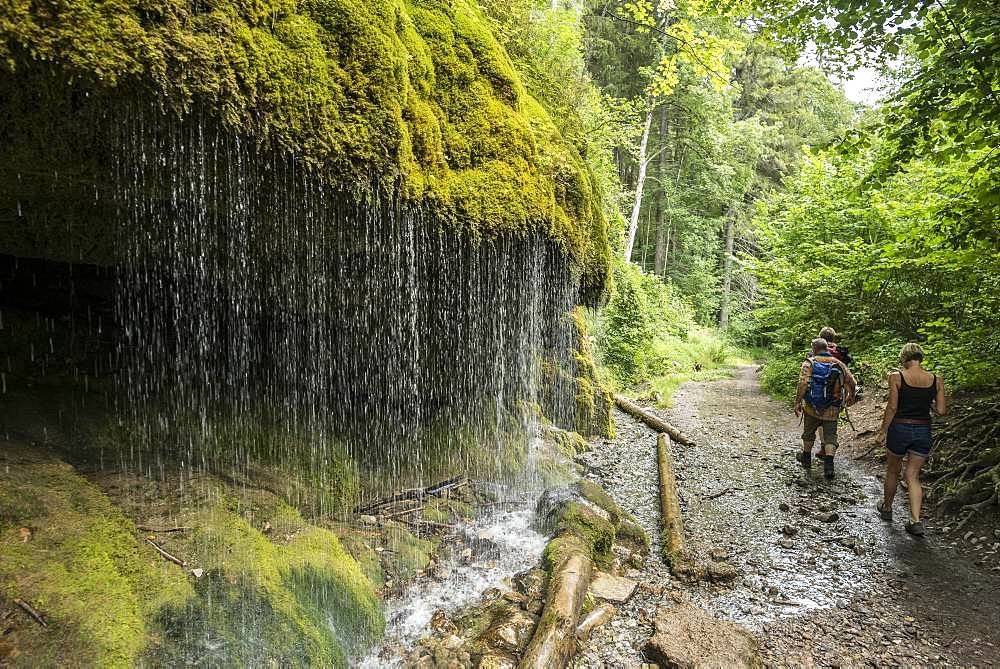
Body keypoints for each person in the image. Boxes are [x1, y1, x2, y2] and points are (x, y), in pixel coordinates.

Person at [875, 343, 946, 536]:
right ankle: (915, 521)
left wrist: (882, 432)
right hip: (923, 430)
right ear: (920, 357)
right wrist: (926, 403)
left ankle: (887, 509)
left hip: (900, 428)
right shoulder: (936, 379)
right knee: (913, 475)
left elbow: (892, 407)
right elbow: (940, 411)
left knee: (893, 470)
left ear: (904, 358)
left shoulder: (897, 377)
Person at [795, 338, 857, 478]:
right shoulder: (838, 364)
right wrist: (850, 395)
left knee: (809, 432)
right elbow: (852, 382)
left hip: (812, 407)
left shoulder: (809, 363)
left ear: (814, 348)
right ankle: (829, 466)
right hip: (832, 408)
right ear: (826, 348)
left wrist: (797, 402)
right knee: (830, 436)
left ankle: (806, 458)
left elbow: (803, 383)